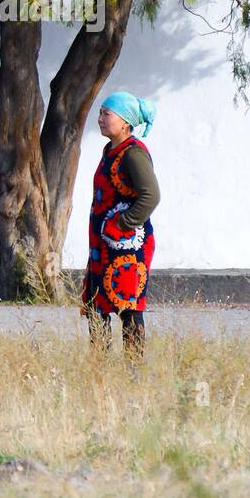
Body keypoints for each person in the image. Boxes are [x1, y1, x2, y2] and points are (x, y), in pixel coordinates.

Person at [80, 90, 160, 363]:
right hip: (103, 247)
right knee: (95, 306)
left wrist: (123, 223)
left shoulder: (133, 154)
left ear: (125, 122)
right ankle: (99, 368)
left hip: (127, 246)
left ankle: (133, 371)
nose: (99, 118)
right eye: (100, 112)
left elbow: (150, 195)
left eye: (106, 113)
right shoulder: (110, 150)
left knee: (128, 307)